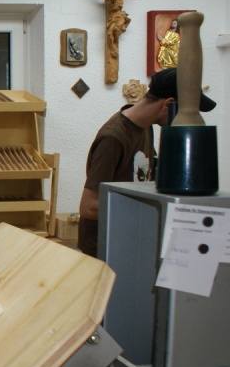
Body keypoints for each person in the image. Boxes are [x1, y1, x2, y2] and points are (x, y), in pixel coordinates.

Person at [77, 67, 216, 257]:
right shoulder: (113, 138)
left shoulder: (145, 128)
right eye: (187, 113)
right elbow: (89, 207)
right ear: (169, 104)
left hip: (130, 238)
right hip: (105, 247)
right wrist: (153, 211)